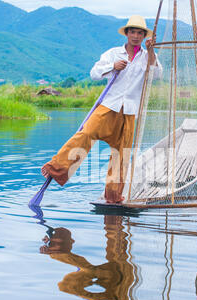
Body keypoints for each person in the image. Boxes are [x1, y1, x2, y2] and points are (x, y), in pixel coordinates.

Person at [41, 15, 162, 203]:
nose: (136, 36)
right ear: (127, 34)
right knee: (86, 133)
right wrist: (112, 67)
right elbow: (94, 73)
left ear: (144, 35)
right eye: (133, 32)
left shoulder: (147, 57)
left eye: (140, 33)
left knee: (121, 155)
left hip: (129, 112)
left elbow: (157, 75)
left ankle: (113, 196)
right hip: (108, 106)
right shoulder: (113, 53)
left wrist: (152, 51)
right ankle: (56, 168)